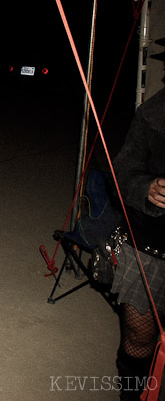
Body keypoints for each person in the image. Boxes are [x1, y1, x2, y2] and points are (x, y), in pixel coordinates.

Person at [110, 37, 165, 401]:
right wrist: (147, 188)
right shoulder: (153, 113)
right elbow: (123, 171)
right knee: (140, 336)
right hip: (152, 242)